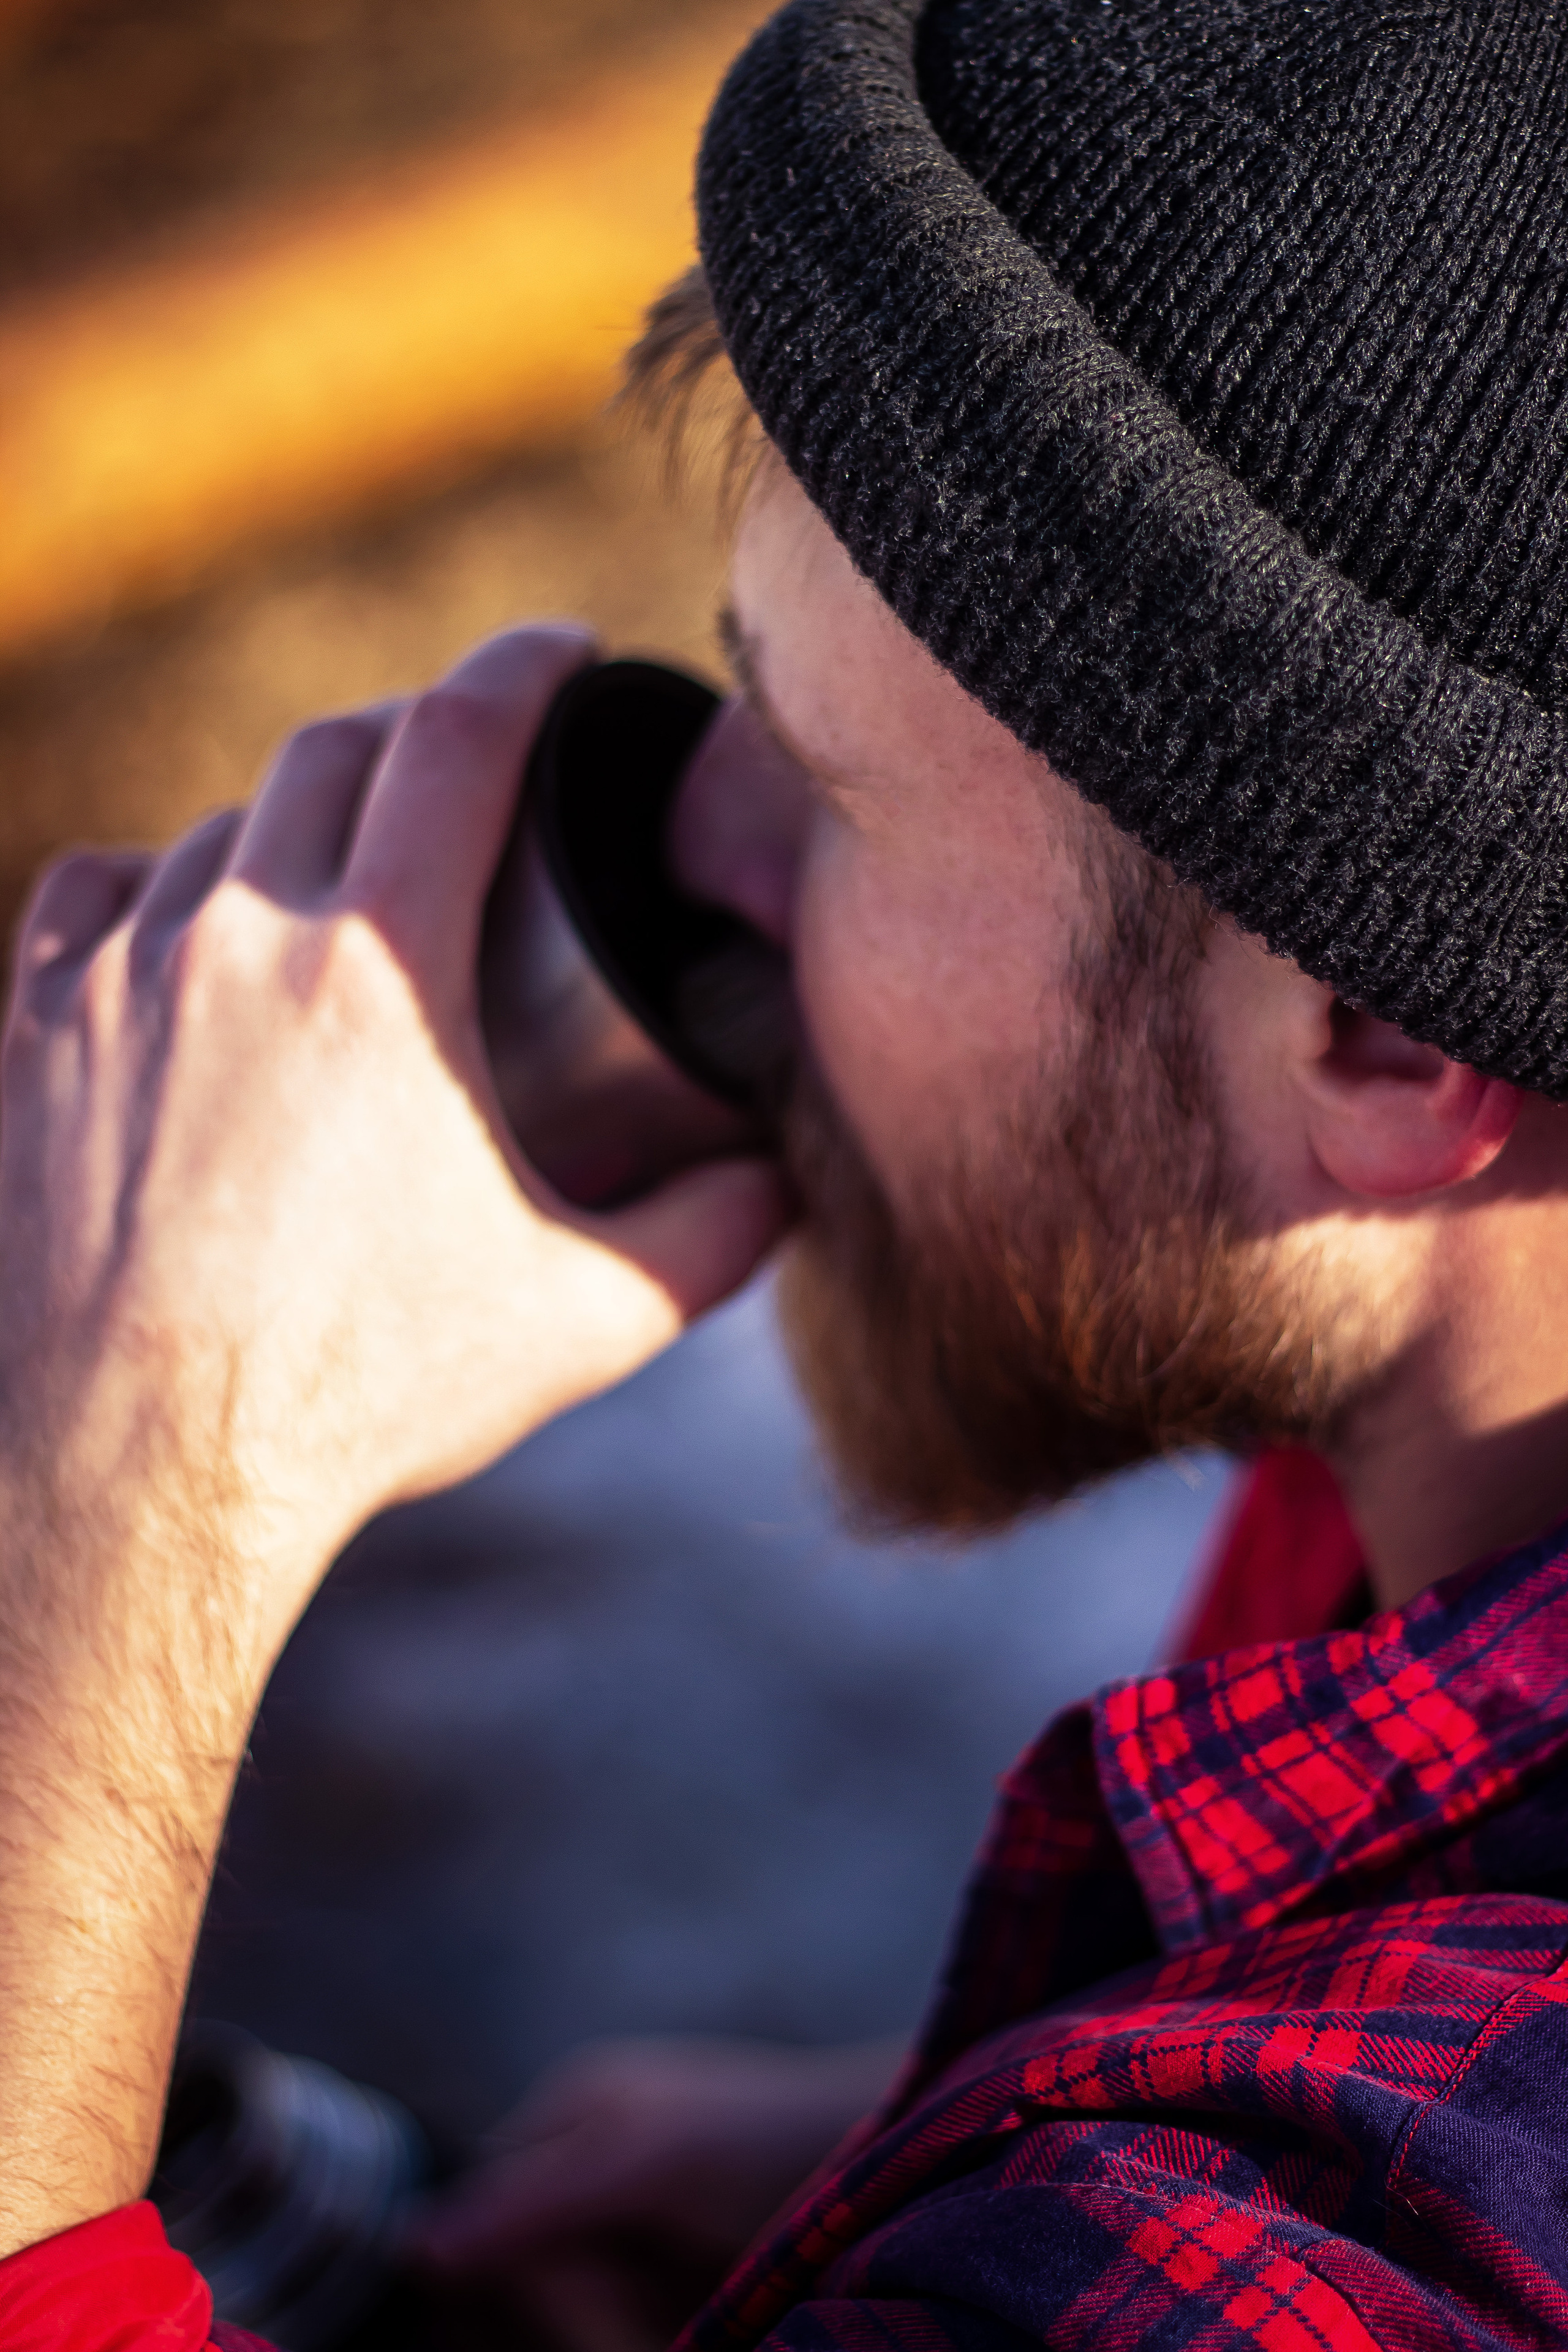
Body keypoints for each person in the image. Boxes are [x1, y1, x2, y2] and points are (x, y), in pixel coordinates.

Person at [6, 0, 1568, 2342]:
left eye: (832, 795)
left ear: (1385, 1035)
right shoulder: (1422, 1485)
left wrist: (103, 1505)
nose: (700, 847)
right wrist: (916, 2146)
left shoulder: (1337, 2256)